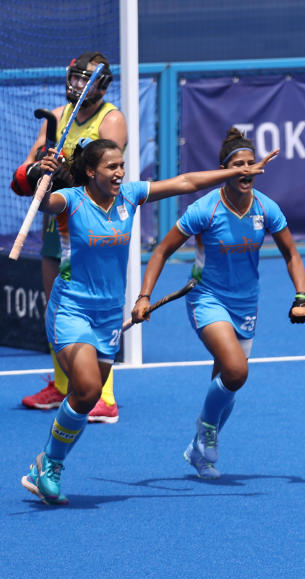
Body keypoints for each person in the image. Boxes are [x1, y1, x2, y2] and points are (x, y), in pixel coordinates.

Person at [19, 138, 278, 506]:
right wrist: (35, 175)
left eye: (122, 165)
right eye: (111, 167)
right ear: (91, 171)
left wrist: (235, 171)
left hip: (109, 314)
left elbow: (186, 182)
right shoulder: (72, 200)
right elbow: (44, 201)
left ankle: (47, 460)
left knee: (87, 396)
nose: (120, 172)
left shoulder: (130, 195)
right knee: (89, 388)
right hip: (72, 308)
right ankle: (51, 465)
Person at [132, 128, 305, 479]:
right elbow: (162, 251)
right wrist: (143, 295)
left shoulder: (266, 208)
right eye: (237, 165)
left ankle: (199, 452)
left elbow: (292, 253)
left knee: (229, 381)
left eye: (250, 163)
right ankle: (207, 429)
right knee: (236, 370)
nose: (246, 170)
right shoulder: (205, 209)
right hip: (206, 298)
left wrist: (302, 295)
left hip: (246, 305)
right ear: (224, 169)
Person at [13, 52, 128, 423]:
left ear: (101, 86)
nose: (75, 87)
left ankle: (103, 395)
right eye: (74, 79)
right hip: (55, 221)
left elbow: (109, 175)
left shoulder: (111, 119)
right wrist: (36, 168)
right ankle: (64, 386)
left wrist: (69, 173)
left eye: (84, 81)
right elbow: (32, 165)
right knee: (57, 309)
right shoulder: (59, 117)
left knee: (91, 308)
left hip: (91, 225)